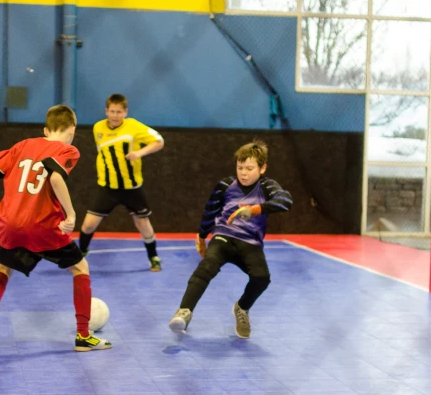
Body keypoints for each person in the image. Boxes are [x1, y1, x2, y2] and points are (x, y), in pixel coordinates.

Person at [0, 104, 112, 351]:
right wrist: (70, 214)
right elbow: (56, 177)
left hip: (11, 222)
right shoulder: (68, 149)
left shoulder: (22, 145)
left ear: (45, 129)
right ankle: (83, 335)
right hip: (43, 224)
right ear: (72, 129)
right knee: (80, 267)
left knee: (3, 268)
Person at [168, 140, 292, 338]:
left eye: (249, 168)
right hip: (224, 236)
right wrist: (201, 237)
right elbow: (210, 211)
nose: (243, 173)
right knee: (207, 266)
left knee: (262, 278)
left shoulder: (267, 185)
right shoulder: (225, 185)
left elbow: (285, 201)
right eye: (240, 167)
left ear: (262, 168)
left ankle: (242, 308)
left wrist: (254, 210)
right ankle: (184, 312)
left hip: (250, 244)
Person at [78, 93, 165, 271]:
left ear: (125, 112)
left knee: (142, 223)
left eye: (119, 112)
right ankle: (80, 254)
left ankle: (154, 257)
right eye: (112, 111)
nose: (115, 115)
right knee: (88, 225)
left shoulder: (133, 127)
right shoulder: (98, 128)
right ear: (106, 111)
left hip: (131, 187)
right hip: (107, 187)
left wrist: (139, 154)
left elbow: (159, 141)